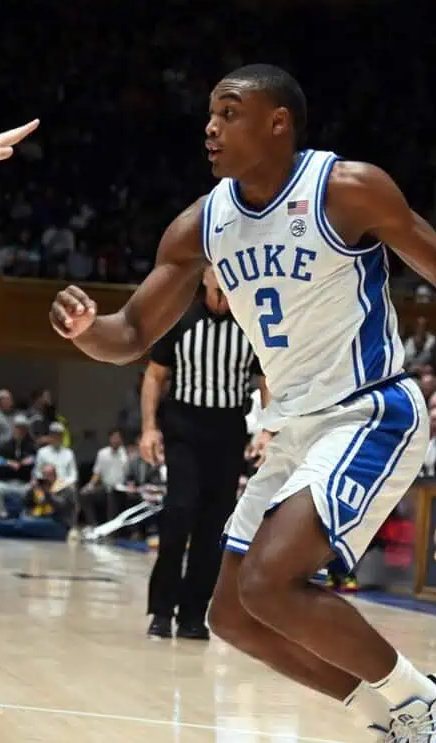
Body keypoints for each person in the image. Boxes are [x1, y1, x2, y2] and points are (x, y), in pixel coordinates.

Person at [51, 63, 436, 742]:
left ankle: (426, 697)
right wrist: (83, 330)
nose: (210, 127)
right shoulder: (199, 227)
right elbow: (129, 332)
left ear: (278, 122)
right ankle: (397, 716)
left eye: (229, 112)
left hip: (368, 409)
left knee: (272, 580)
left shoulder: (346, 189)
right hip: (296, 429)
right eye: (210, 115)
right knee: (233, 615)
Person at [142, 268, 262, 640]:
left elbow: (266, 381)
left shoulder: (252, 324)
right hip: (184, 430)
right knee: (179, 513)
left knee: (214, 526)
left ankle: (194, 613)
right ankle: (161, 610)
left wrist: (270, 429)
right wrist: (149, 427)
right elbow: (155, 376)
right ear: (206, 277)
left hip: (228, 431)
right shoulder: (180, 318)